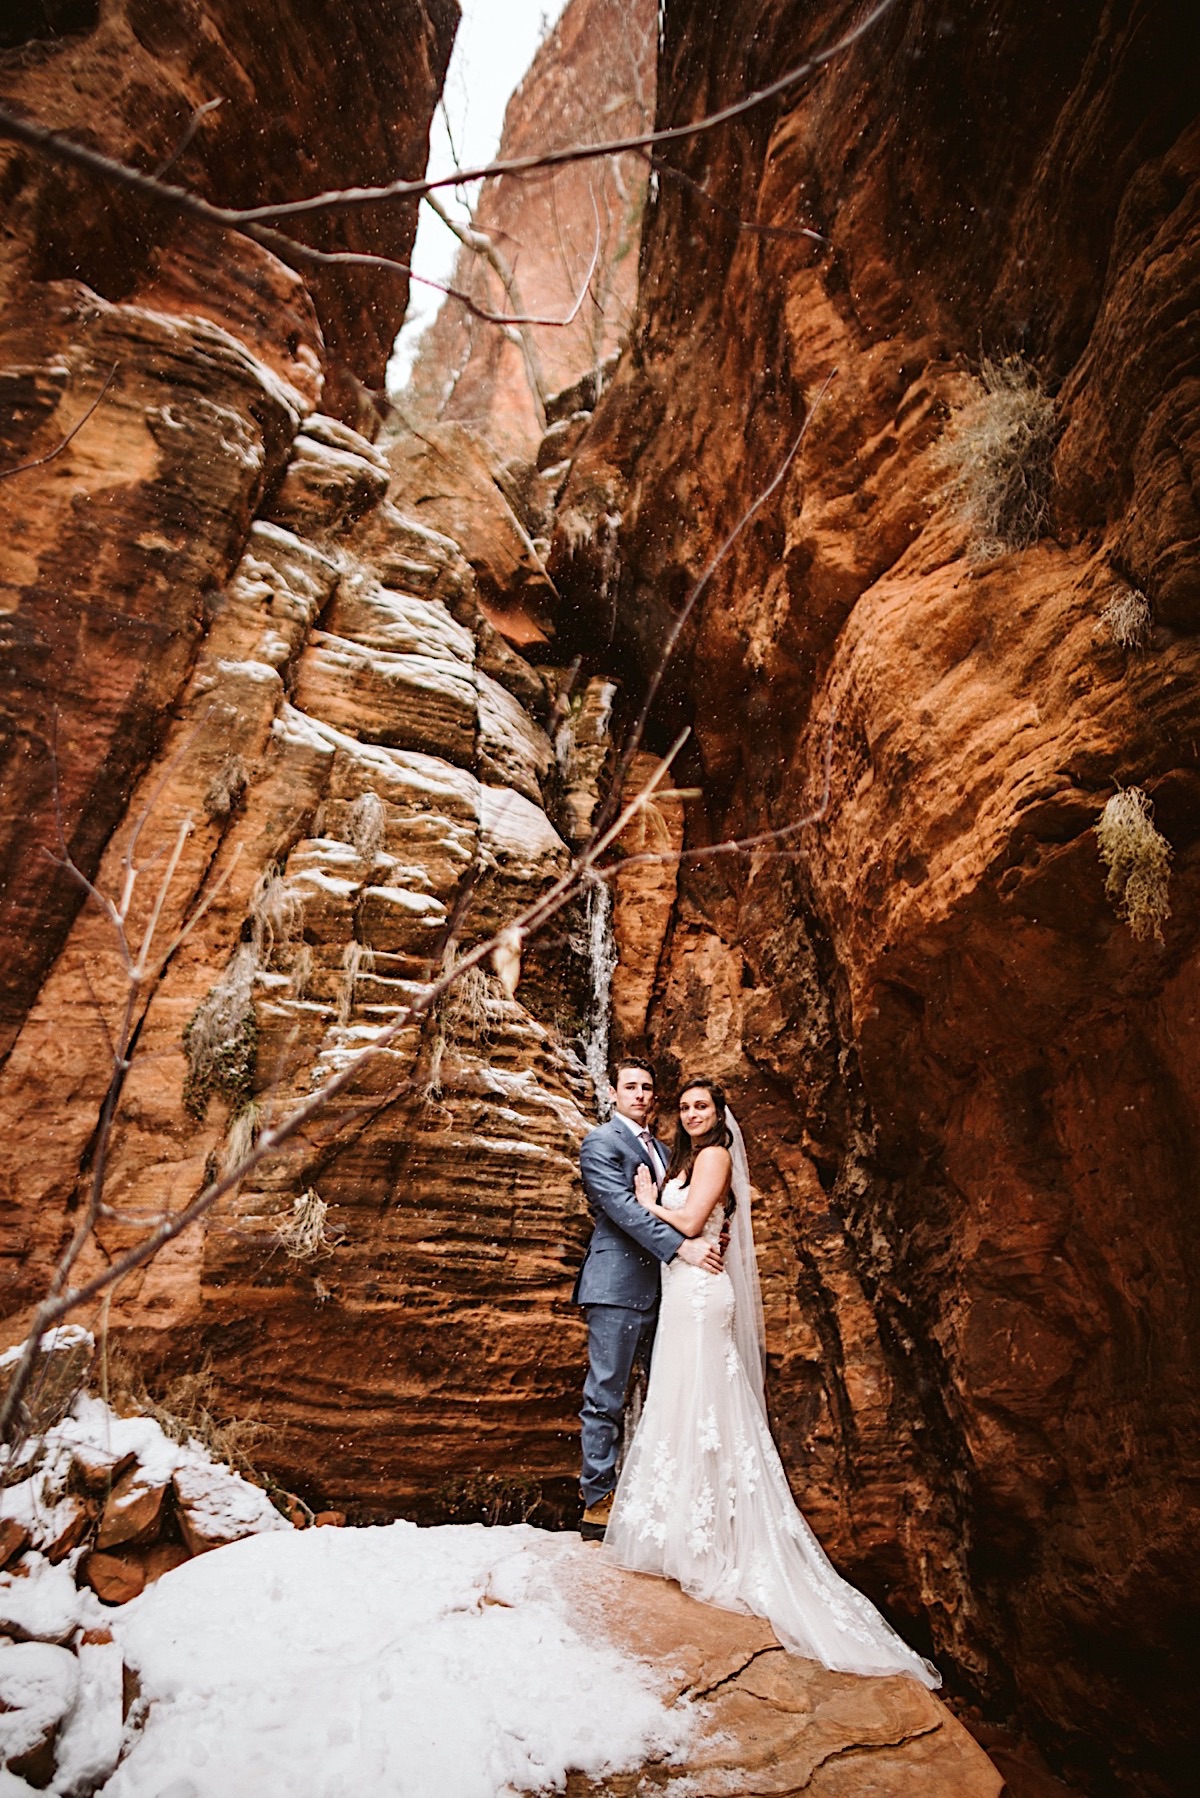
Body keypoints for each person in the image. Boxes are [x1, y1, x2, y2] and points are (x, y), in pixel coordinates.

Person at [604, 1075, 940, 1688]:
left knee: (706, 1404)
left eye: (700, 1105)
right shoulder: (687, 1154)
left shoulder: (714, 1155)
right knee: (683, 1402)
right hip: (682, 1292)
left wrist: (649, 1199)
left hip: (702, 1293)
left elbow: (691, 1222)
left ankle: (711, 1543)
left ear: (719, 1112)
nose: (691, 1112)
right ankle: (682, 1532)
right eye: (683, 1106)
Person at [574, 1058, 723, 1541]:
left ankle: (653, 1496)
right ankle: (597, 1500)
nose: (639, 1095)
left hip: (668, 1290)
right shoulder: (600, 1142)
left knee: (662, 1394)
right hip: (617, 1287)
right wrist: (681, 1247)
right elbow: (618, 1208)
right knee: (606, 1393)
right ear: (614, 1093)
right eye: (630, 1087)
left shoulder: (665, 1150)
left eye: (646, 1089)